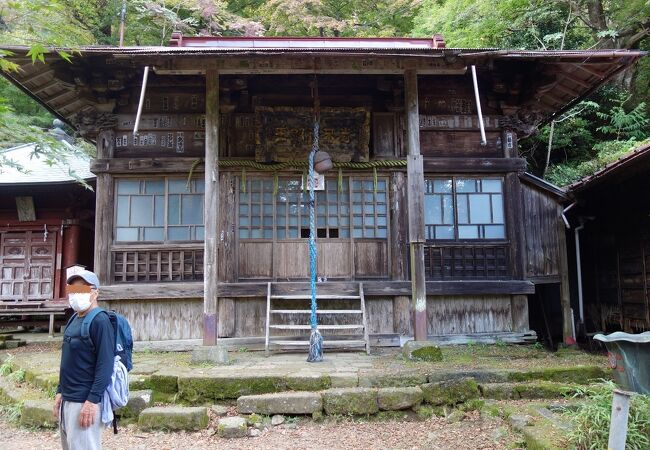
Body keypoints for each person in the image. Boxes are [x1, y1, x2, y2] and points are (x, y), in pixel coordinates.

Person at [53, 270, 115, 450]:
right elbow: (68, 359)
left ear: (95, 292)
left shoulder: (100, 321)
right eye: (72, 289)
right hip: (67, 398)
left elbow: (105, 365)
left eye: (81, 289)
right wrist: (60, 391)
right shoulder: (73, 318)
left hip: (84, 400)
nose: (75, 294)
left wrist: (92, 401)